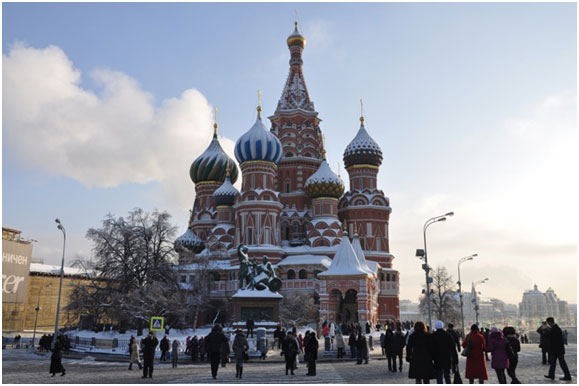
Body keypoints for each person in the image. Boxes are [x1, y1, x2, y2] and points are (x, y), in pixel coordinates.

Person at [544, 317, 571, 381]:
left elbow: (554, 338)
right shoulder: (555, 328)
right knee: (552, 363)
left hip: (558, 350)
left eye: (548, 323)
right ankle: (551, 375)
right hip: (556, 349)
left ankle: (567, 376)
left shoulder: (556, 329)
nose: (548, 324)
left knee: (562, 363)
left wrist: (548, 335)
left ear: (550, 322)